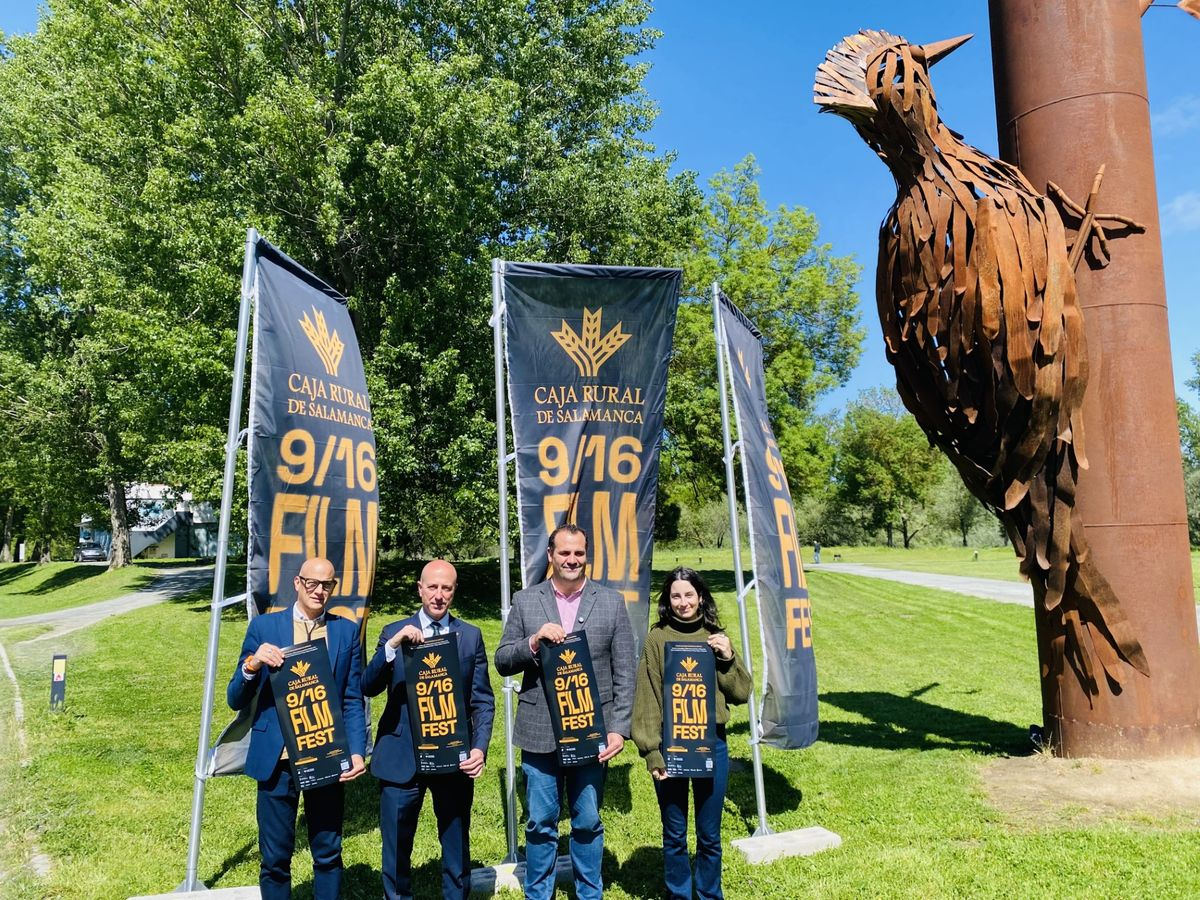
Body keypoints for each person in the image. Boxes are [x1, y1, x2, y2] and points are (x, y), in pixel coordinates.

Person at [494, 524, 635, 900]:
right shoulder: (526, 601)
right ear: (551, 556)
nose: (572, 560)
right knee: (541, 822)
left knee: (587, 821)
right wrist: (532, 642)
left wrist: (619, 728)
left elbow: (625, 670)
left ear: (587, 555)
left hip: (591, 731)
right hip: (539, 729)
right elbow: (503, 659)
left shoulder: (611, 602)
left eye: (579, 553)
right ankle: (538, 894)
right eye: (564, 553)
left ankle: (590, 893)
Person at [226, 556, 368, 900]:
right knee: (275, 857)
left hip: (326, 754)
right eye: (312, 583)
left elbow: (352, 698)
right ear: (297, 583)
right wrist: (252, 664)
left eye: (327, 584)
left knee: (328, 852)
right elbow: (235, 697)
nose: (319, 591)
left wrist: (357, 751)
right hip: (277, 759)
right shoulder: (264, 628)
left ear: (334, 587)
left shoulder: (346, 631)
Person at [362, 559, 495, 900]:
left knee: (456, 845)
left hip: (453, 758)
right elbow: (368, 686)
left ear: (454, 591)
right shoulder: (393, 631)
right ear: (420, 589)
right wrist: (392, 647)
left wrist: (479, 748)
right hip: (401, 756)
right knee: (395, 847)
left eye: (446, 588)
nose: (438, 595)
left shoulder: (470, 636)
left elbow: (482, 700)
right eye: (432, 587)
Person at [631, 567, 751, 900]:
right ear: (667, 601)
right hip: (671, 745)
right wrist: (652, 751)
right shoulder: (657, 639)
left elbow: (741, 693)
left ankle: (710, 894)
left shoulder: (714, 637)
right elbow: (647, 697)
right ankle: (679, 894)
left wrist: (727, 657)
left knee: (710, 835)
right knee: (674, 834)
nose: (683, 602)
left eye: (689, 595)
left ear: (700, 597)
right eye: (676, 596)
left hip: (712, 745)